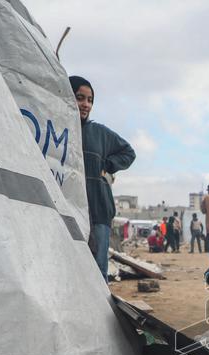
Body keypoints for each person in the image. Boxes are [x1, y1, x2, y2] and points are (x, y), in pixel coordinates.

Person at [70, 75, 135, 280]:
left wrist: (107, 166)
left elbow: (128, 152)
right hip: (69, 211)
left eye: (90, 100)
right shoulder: (59, 129)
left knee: (97, 272)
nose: (85, 104)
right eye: (80, 98)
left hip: (98, 212)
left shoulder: (100, 133)